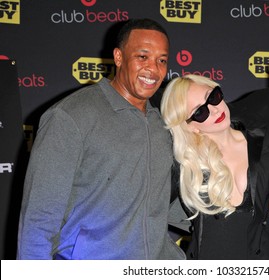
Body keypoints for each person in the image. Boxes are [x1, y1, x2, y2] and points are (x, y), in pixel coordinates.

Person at [17, 18, 186, 260]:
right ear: (118, 57)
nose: (153, 69)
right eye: (142, 57)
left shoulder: (164, 120)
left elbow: (161, 200)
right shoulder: (70, 116)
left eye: (161, 60)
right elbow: (39, 217)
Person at [160, 74, 269, 259]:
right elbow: (145, 211)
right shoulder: (187, 164)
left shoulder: (264, 144)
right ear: (191, 127)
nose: (214, 110)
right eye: (200, 112)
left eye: (213, 97)